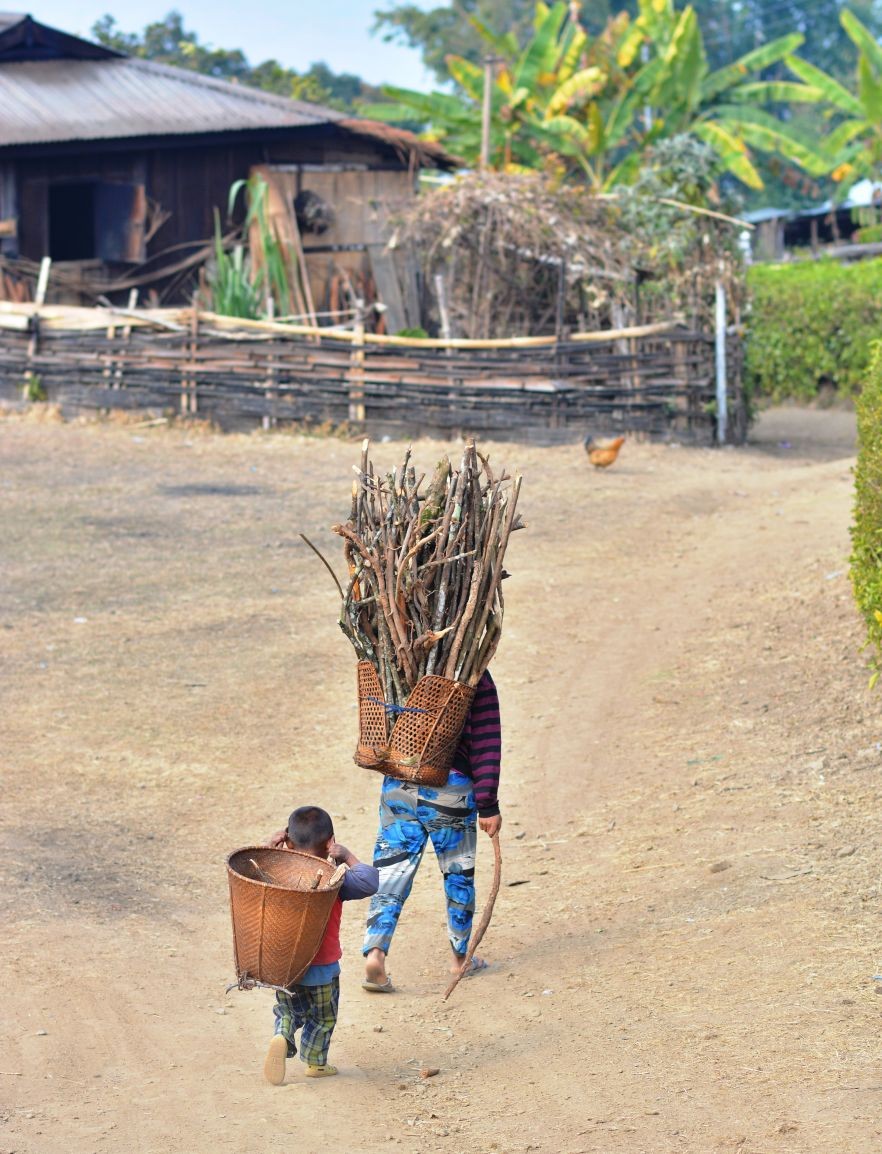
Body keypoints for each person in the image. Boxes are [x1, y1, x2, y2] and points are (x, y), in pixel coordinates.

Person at [362, 669, 502, 992]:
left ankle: (376, 954)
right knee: (458, 872)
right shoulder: (472, 670)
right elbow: (485, 738)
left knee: (391, 870)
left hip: (398, 780)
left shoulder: (399, 659)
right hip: (449, 787)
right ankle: (458, 959)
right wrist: (488, 802)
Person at [263, 805, 378, 1083]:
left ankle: (283, 1033)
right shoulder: (333, 878)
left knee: (288, 1009)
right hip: (323, 967)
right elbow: (370, 882)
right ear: (330, 843)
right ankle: (315, 1062)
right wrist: (346, 855)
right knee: (323, 1017)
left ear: (287, 840)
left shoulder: (278, 875)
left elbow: (253, 869)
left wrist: (270, 847)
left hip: (285, 965)